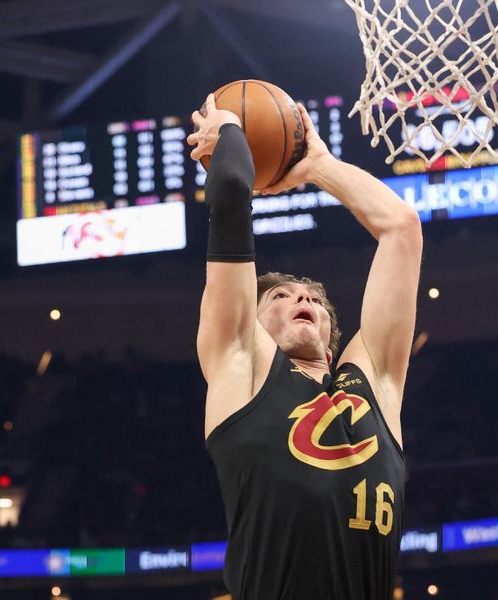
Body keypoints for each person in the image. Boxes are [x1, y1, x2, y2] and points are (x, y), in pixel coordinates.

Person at [188, 93, 422, 600]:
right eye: (281, 295)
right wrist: (231, 130)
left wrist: (321, 165)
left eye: (314, 297)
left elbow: (401, 229)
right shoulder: (241, 366)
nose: (303, 298)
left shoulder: (373, 384)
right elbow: (230, 191)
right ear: (250, 318)